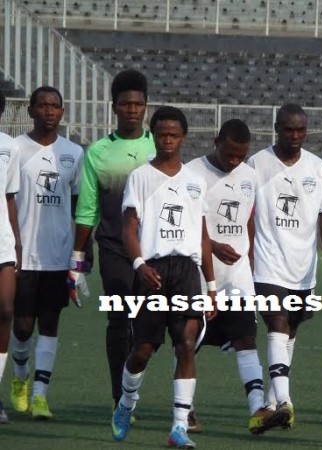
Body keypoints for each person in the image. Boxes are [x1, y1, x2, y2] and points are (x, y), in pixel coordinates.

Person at [111, 106, 216, 448]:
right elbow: (129, 227)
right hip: (152, 271)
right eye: (161, 134)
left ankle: (179, 427)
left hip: (186, 271)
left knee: (186, 343)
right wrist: (140, 264)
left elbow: (201, 235)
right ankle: (126, 403)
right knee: (142, 349)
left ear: (183, 137)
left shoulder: (195, 181)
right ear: (153, 136)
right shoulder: (141, 177)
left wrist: (211, 286)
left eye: (174, 134)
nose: (167, 140)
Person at [247, 103, 322, 428]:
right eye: (288, 129)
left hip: (303, 266)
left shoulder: (318, 168)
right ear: (276, 128)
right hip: (266, 262)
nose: (295, 136)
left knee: (290, 329)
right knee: (277, 322)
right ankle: (286, 402)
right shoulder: (257, 165)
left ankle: (271, 401)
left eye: (300, 130)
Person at [188, 119, 289, 435]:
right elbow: (188, 226)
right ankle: (186, 410)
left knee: (246, 340)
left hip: (238, 279)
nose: (235, 162)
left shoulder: (249, 175)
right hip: (199, 277)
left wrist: (251, 260)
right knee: (190, 342)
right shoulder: (191, 174)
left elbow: (248, 219)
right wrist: (213, 246)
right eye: (230, 154)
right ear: (216, 141)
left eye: (240, 156)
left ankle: (257, 409)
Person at [71, 69, 157, 420]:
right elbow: (88, 209)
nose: (132, 110)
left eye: (138, 104)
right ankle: (118, 395)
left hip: (155, 250)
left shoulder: (159, 145)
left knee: (149, 326)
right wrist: (78, 258)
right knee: (119, 320)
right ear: (114, 107)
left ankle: (136, 388)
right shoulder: (98, 153)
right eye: (125, 104)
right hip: (114, 249)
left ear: (145, 107)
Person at [9, 87, 84, 420]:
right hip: (23, 253)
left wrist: (81, 254)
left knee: (51, 324)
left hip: (58, 254)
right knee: (23, 325)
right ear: (30, 111)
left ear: (62, 112)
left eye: (55, 106)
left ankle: (40, 394)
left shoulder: (74, 153)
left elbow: (80, 204)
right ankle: (21, 376)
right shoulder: (15, 149)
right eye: (42, 106)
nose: (49, 111)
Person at [0, 90, 21, 424]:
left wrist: (17, 243)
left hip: (2, 243)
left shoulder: (10, 147)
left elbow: (10, 197)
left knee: (5, 311)